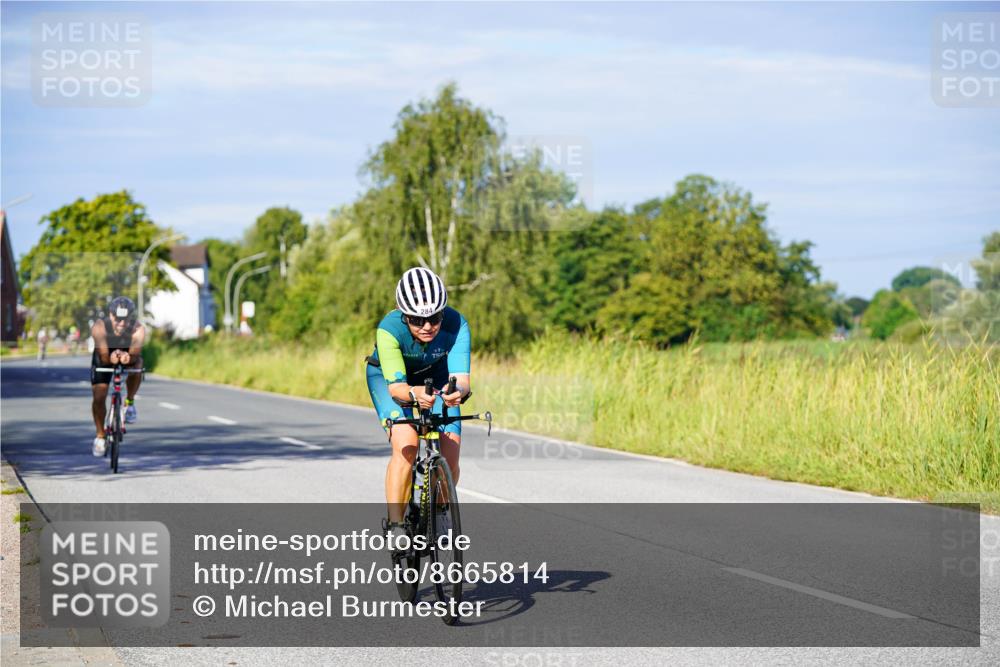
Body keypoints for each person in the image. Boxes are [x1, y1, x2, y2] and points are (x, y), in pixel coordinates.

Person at [366, 267, 470, 549]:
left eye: (434, 318)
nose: (427, 326)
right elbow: (397, 388)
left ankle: (439, 513)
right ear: (404, 316)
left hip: (436, 378)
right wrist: (414, 394)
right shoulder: (389, 329)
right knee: (408, 442)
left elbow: (462, 381)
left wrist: (454, 393)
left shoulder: (457, 324)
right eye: (417, 320)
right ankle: (397, 524)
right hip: (391, 380)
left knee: (451, 452)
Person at [90, 297, 146, 457]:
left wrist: (130, 358)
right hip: (104, 357)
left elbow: (136, 353)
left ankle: (129, 402)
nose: (122, 323)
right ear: (110, 315)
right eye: (118, 319)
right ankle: (100, 436)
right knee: (99, 397)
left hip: (127, 356)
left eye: (126, 319)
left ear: (131, 317)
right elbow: (103, 355)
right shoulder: (99, 327)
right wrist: (111, 357)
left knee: (138, 365)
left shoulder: (138, 329)